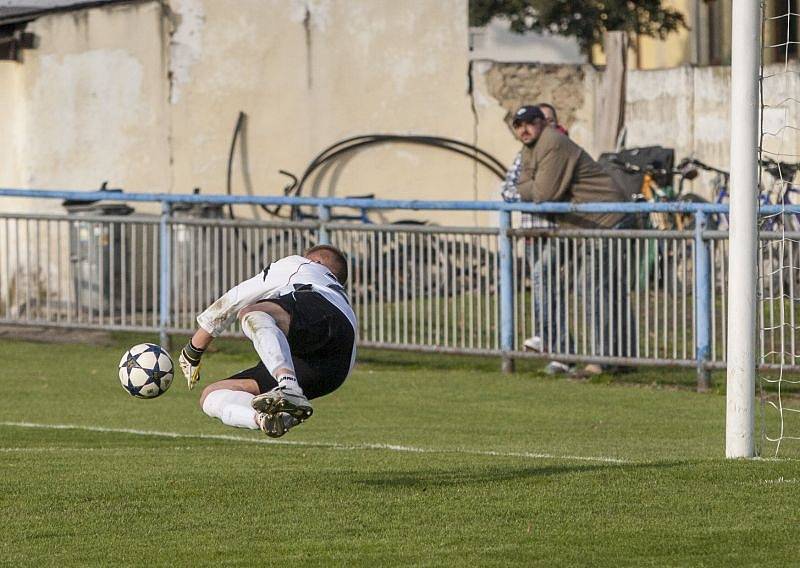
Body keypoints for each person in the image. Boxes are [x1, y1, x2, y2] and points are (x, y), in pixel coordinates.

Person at [178, 244, 357, 438]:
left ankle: (288, 387)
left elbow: (237, 297)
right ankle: (265, 419)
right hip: (334, 371)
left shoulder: (301, 265)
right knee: (212, 394)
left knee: (252, 312)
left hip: (323, 316)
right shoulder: (341, 296)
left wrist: (193, 349)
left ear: (316, 261)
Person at [510, 104, 634, 375]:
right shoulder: (529, 148)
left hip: (604, 219)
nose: (524, 129)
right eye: (518, 125)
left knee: (590, 283)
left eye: (530, 122)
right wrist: (529, 186)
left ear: (542, 123)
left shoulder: (552, 142)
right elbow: (517, 186)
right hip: (575, 223)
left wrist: (528, 186)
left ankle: (603, 360)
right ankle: (563, 351)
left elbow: (543, 193)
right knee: (544, 271)